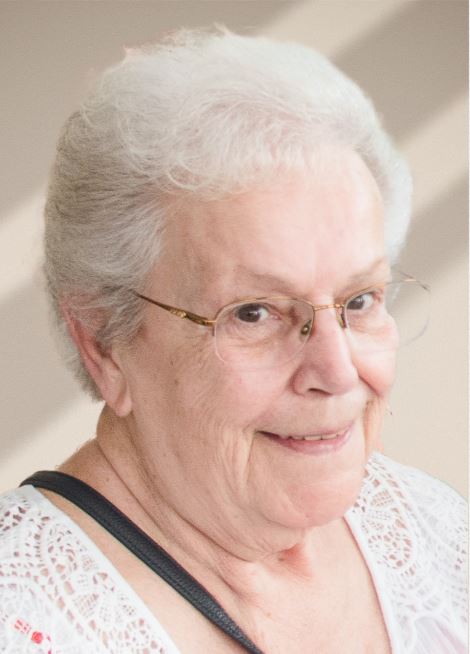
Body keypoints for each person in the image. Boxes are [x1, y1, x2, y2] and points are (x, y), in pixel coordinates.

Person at [0, 27, 466, 654]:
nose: (336, 371)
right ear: (104, 343)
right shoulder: (27, 620)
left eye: (359, 301)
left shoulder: (430, 534)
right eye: (254, 313)